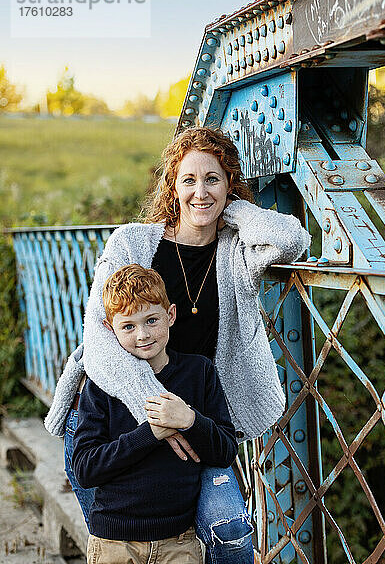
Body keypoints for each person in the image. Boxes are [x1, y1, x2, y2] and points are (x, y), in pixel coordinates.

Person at [45, 126, 311, 564]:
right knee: (121, 540)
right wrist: (158, 413)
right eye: (188, 180)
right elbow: (99, 337)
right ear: (172, 187)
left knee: (230, 533)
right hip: (114, 420)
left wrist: (237, 211)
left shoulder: (235, 250)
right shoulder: (131, 242)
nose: (200, 192)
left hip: (196, 418)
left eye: (213, 179)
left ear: (230, 184)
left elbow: (290, 239)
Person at [73, 264, 238, 564]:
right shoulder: (102, 382)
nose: (143, 335)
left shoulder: (198, 372)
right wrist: (150, 434)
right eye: (128, 327)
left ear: (171, 315)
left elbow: (226, 450)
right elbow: (85, 468)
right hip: (114, 541)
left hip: (178, 541)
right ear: (111, 328)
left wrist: (189, 420)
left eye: (151, 320)